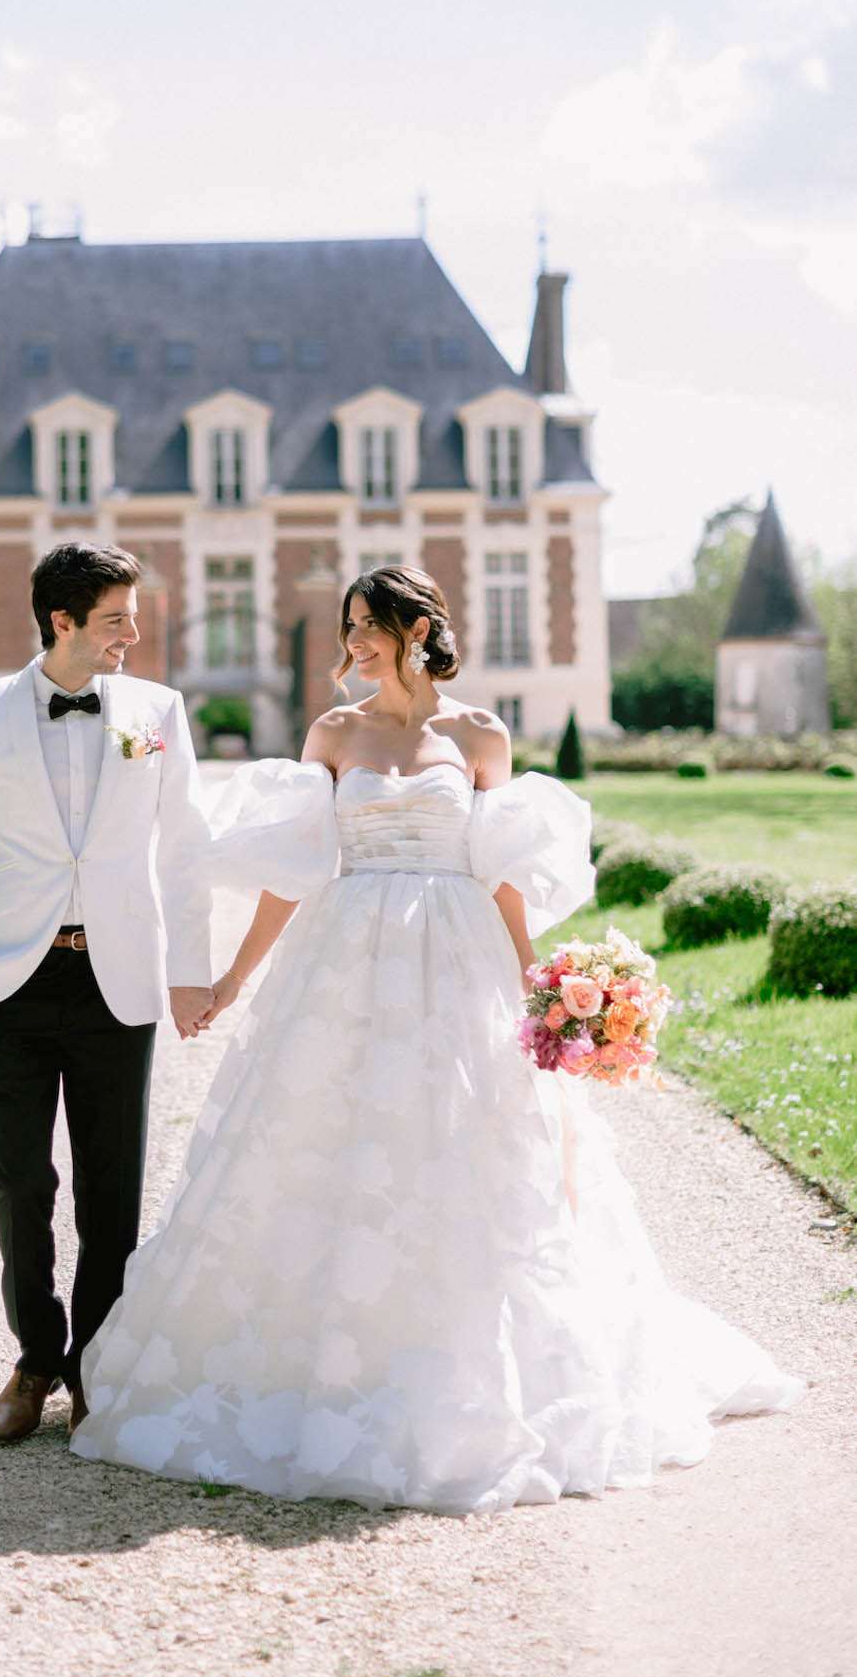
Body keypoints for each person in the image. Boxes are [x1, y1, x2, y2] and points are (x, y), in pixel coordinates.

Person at [71, 565, 802, 1513]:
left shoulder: (480, 735)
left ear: (420, 628)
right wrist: (229, 981)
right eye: (349, 627)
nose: (357, 642)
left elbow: (500, 872)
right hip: (347, 957)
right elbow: (292, 874)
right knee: (323, 1145)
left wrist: (546, 988)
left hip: (458, 964)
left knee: (476, 1148)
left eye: (372, 625)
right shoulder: (333, 732)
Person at [0, 542, 213, 1444]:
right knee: (18, 1180)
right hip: (9, 979)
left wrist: (188, 973)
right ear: (63, 621)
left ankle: (95, 1361)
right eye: (117, 618)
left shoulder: (156, 711)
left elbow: (185, 848)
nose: (134, 634)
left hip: (117, 978)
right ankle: (34, 1356)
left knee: (111, 1189)